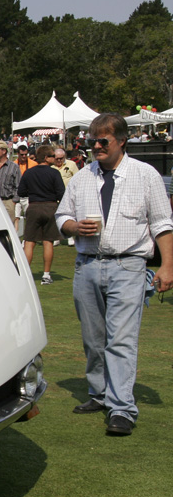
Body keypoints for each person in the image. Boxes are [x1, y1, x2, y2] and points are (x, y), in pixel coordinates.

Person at [55, 113, 173, 436]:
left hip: (129, 265)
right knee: (93, 339)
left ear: (122, 141)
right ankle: (99, 393)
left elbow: (163, 223)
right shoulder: (81, 178)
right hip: (88, 265)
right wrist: (74, 227)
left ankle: (121, 408)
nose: (96, 146)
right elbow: (62, 214)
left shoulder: (145, 175)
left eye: (103, 141)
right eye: (92, 140)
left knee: (120, 339)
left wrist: (167, 266)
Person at [17, 145, 65, 284]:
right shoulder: (54, 173)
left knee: (29, 241)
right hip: (50, 206)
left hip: (34, 206)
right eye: (52, 156)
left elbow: (21, 192)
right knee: (48, 241)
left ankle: (25, 275)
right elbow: (61, 193)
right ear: (46, 157)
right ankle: (46, 275)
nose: (55, 159)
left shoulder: (29, 172)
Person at [0, 141, 21, 232]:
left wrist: (13, 201)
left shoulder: (14, 167)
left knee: (9, 229)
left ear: (4, 151)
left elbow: (18, 185)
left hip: (8, 200)